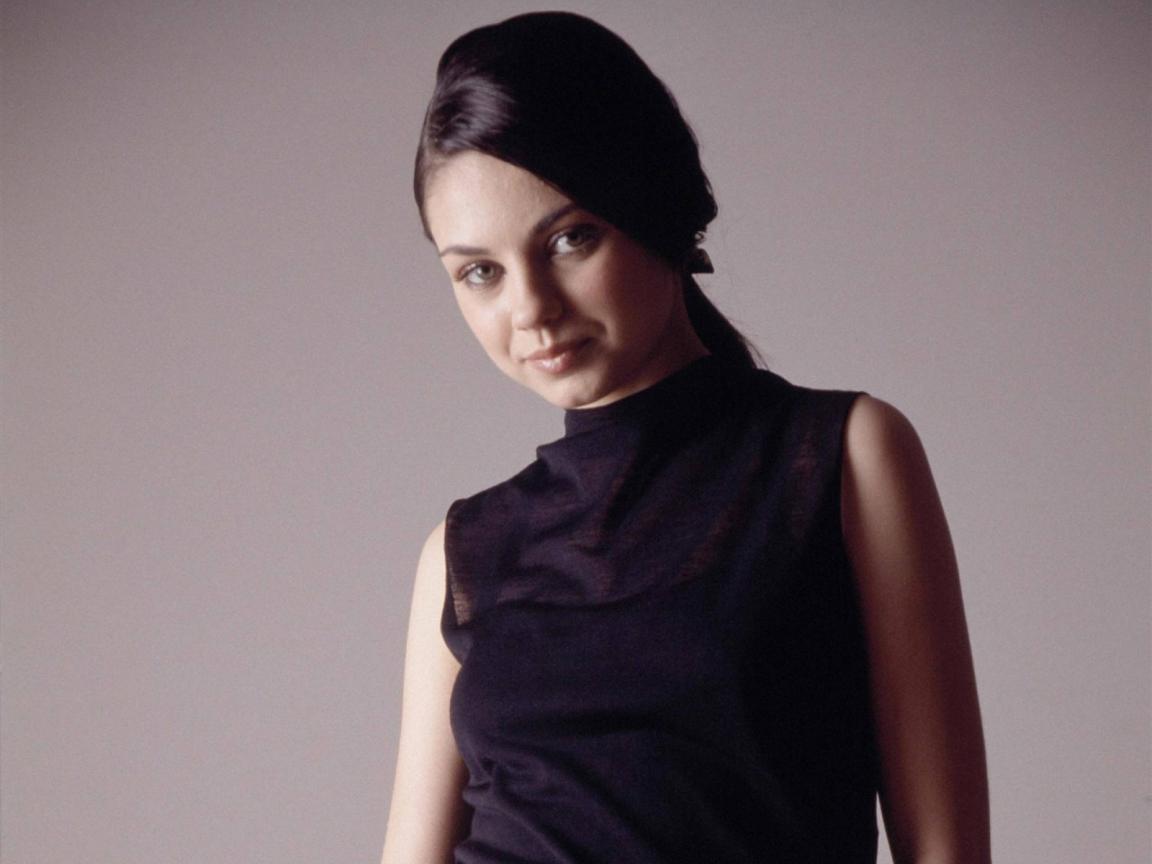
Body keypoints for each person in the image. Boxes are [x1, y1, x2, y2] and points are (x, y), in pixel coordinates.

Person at [382, 11, 989, 864]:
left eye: (569, 239)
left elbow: (948, 850)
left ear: (656, 207)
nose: (530, 309)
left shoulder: (842, 457)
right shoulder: (463, 552)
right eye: (480, 271)